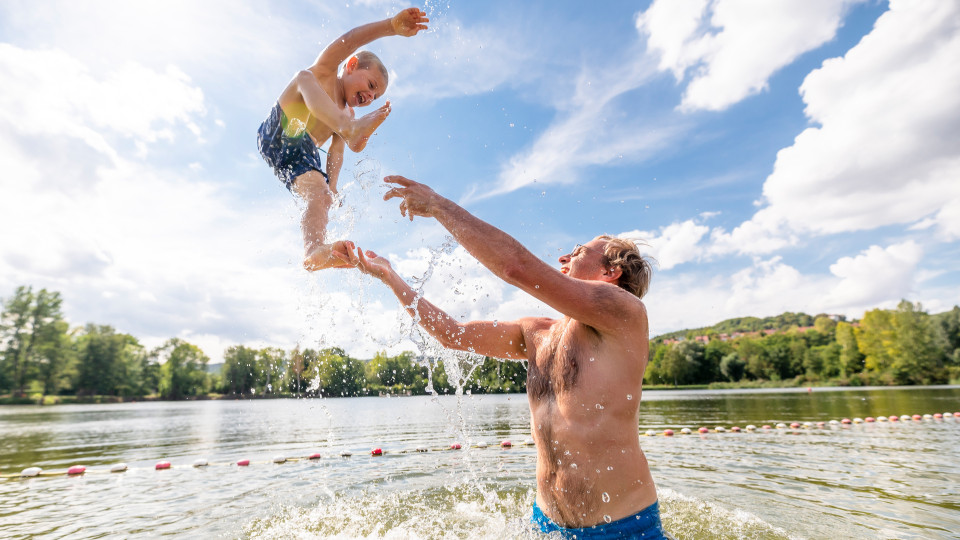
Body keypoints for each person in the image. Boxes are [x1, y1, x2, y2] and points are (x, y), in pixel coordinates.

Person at [346, 175, 669, 539]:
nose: (564, 256)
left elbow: (516, 267)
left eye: (579, 251)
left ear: (611, 272)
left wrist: (437, 205)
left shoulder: (624, 313)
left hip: (623, 529)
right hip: (545, 526)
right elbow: (452, 334)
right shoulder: (537, 332)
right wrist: (391, 278)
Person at [257, 8, 429, 271]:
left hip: (299, 153)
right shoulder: (326, 72)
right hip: (282, 127)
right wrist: (391, 27)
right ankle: (351, 132)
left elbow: (336, 153)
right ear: (350, 66)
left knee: (321, 195)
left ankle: (314, 249)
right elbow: (350, 40)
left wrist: (333, 186)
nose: (370, 97)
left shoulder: (347, 112)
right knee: (304, 76)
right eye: (371, 85)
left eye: (376, 97)